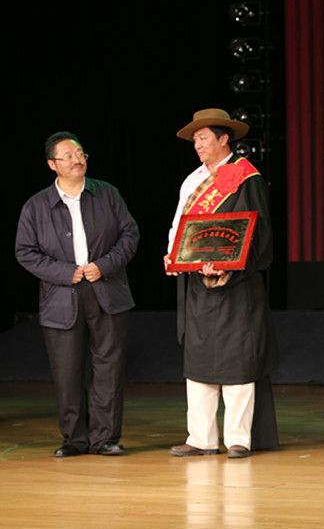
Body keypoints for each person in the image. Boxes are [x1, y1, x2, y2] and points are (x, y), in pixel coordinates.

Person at [15, 131, 139, 457]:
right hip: (61, 297)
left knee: (109, 368)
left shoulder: (107, 193)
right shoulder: (36, 206)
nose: (77, 159)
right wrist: (64, 272)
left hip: (107, 290)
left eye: (80, 153)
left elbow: (129, 234)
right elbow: (24, 251)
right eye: (68, 155)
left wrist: (105, 265)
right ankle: (74, 439)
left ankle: (105, 438)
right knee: (67, 370)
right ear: (52, 164)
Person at [165, 108, 279, 459]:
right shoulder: (192, 181)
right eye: (195, 139)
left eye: (203, 138)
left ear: (224, 138)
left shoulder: (246, 177)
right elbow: (180, 227)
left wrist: (231, 270)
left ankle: (238, 438)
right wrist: (173, 256)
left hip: (237, 284)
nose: (197, 144)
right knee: (198, 359)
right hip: (197, 282)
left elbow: (259, 235)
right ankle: (201, 438)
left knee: (238, 358)